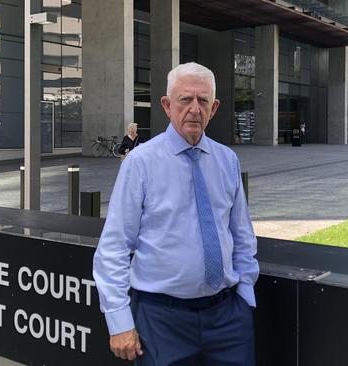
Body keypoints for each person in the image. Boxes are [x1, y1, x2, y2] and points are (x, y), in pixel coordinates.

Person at [93, 62, 259, 365]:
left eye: (203, 100)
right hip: (161, 321)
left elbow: (241, 234)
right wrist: (119, 321)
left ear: (214, 107)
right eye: (185, 99)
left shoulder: (227, 160)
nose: (194, 109)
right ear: (168, 106)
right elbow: (115, 246)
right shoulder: (141, 163)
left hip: (227, 321)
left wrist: (245, 293)